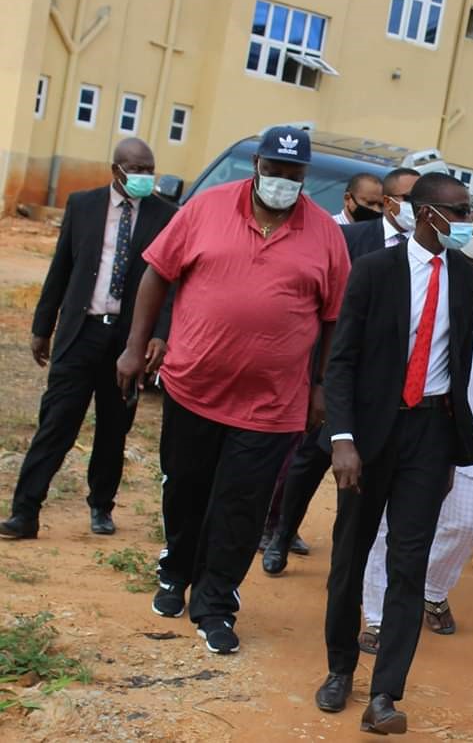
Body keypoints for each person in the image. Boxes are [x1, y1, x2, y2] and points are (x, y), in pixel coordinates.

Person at [116, 127, 350, 655]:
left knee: (242, 505)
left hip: (273, 404)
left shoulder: (325, 235)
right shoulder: (206, 209)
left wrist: (319, 386)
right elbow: (157, 274)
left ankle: (216, 600)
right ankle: (176, 569)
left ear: (304, 175)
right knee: (186, 488)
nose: (282, 182)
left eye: (293, 174)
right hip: (194, 384)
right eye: (275, 170)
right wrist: (135, 347)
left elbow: (334, 318)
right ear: (257, 165)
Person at [316, 173, 473, 736]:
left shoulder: (466, 276)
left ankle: (385, 694)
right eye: (458, 211)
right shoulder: (374, 271)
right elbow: (340, 362)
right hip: (368, 437)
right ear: (425, 213)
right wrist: (342, 438)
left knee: (409, 565)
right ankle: (340, 667)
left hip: (430, 435)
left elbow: (456, 357)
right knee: (351, 554)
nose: (467, 221)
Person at [360, 192, 473, 645]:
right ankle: (378, 615)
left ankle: (431, 590)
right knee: (391, 522)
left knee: (467, 520)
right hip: (417, 418)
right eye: (470, 221)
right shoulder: (416, 271)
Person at [0, 139, 175, 540]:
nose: (145, 177)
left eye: (150, 170)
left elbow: (172, 283)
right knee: (56, 424)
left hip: (129, 342)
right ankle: (24, 512)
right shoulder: (83, 205)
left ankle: (101, 506)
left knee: (114, 429)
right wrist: (42, 327)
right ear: (116, 170)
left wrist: (159, 336)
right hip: (81, 333)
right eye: (138, 170)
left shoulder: (167, 216)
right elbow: (60, 267)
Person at [259, 167, 421, 573]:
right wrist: (317, 375)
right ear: (388, 203)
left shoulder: (426, 251)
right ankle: (280, 533)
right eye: (409, 200)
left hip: (392, 382)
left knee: (368, 475)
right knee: (310, 460)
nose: (417, 210)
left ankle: (351, 560)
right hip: (340, 371)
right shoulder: (348, 240)